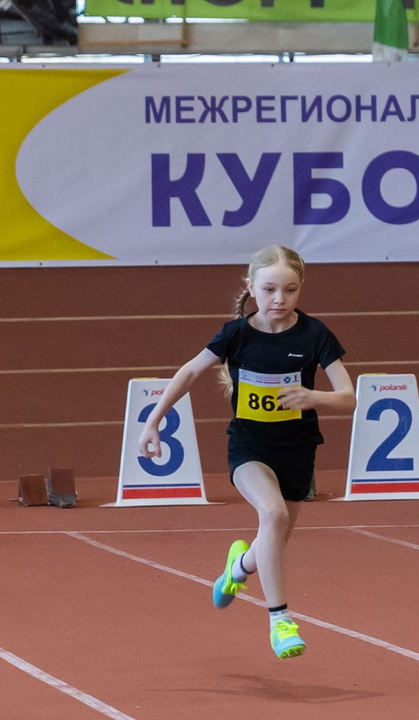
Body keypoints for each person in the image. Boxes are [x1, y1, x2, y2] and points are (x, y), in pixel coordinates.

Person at [138, 245, 355, 661]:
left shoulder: (315, 335)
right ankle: (280, 621)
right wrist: (153, 421)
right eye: (270, 289)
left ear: (300, 289)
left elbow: (349, 399)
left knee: (274, 536)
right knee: (272, 516)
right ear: (252, 288)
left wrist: (313, 397)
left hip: (297, 450)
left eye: (290, 290)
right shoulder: (236, 334)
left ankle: (237, 569)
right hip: (249, 448)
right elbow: (189, 372)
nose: (279, 299)